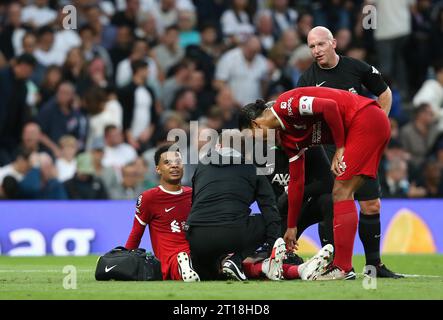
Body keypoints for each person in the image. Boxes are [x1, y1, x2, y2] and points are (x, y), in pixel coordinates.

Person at [238, 85, 391, 281]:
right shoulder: (288, 138)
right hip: (367, 124)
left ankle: (342, 267)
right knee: (343, 192)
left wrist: (340, 147)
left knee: (340, 191)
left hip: (365, 119)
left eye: (250, 137)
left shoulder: (286, 105)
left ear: (255, 124)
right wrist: (292, 227)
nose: (254, 143)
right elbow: (296, 182)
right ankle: (343, 267)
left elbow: (329, 107)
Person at [296, 26, 402, 279]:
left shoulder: (356, 67)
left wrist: (378, 125)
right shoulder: (307, 79)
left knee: (371, 205)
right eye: (311, 47)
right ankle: (335, 264)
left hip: (359, 144)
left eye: (320, 44)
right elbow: (305, 119)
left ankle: (373, 265)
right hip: (330, 149)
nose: (316, 51)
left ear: (333, 43)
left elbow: (384, 93)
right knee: (332, 203)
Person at [186, 131, 284, 281]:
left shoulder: (201, 167)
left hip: (197, 238)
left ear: (218, 146)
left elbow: (194, 203)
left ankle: (211, 265)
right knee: (265, 220)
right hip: (233, 234)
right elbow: (271, 211)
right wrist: (272, 249)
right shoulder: (252, 169)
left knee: (211, 275)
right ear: (244, 150)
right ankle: (237, 260)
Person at [125, 145, 200, 282]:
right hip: (172, 257)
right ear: (158, 169)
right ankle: (183, 266)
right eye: (167, 163)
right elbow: (136, 233)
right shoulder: (149, 197)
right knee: (177, 263)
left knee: (221, 261)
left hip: (197, 251)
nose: (174, 166)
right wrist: (124, 261)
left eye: (178, 162)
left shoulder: (193, 194)